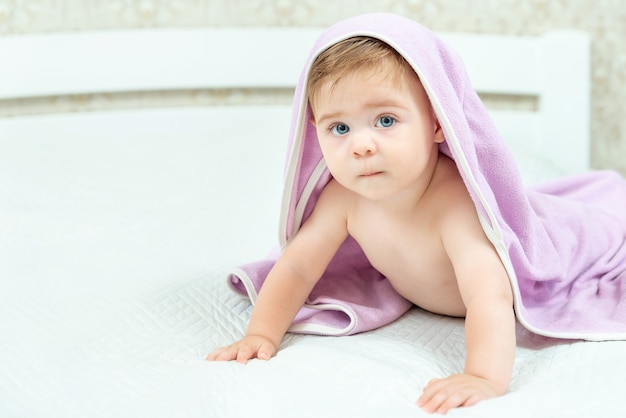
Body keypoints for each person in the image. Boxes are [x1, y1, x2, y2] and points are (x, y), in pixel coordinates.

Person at [207, 34, 516, 414]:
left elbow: (489, 295)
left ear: (437, 123)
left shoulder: (454, 204)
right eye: (339, 128)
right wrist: (260, 333)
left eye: (385, 120)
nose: (361, 145)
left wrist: (483, 376)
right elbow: (298, 266)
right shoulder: (344, 198)